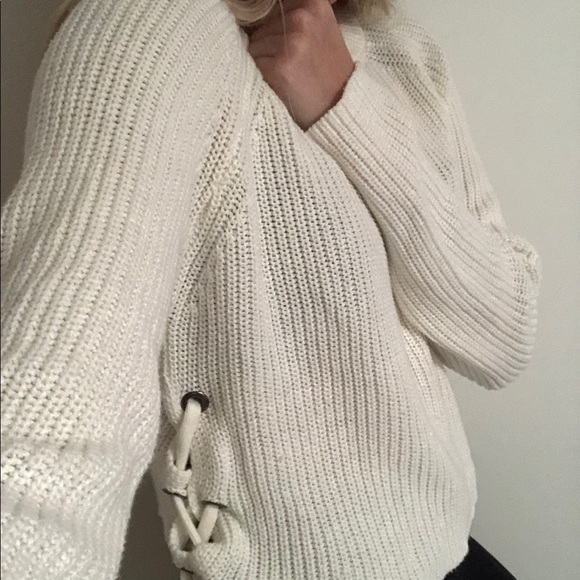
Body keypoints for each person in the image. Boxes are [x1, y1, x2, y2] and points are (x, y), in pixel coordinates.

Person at [0, 0, 541, 578]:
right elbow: (56, 411)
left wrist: (346, 106)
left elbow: (505, 337)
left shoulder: (407, 53)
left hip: (456, 551)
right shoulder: (151, 22)